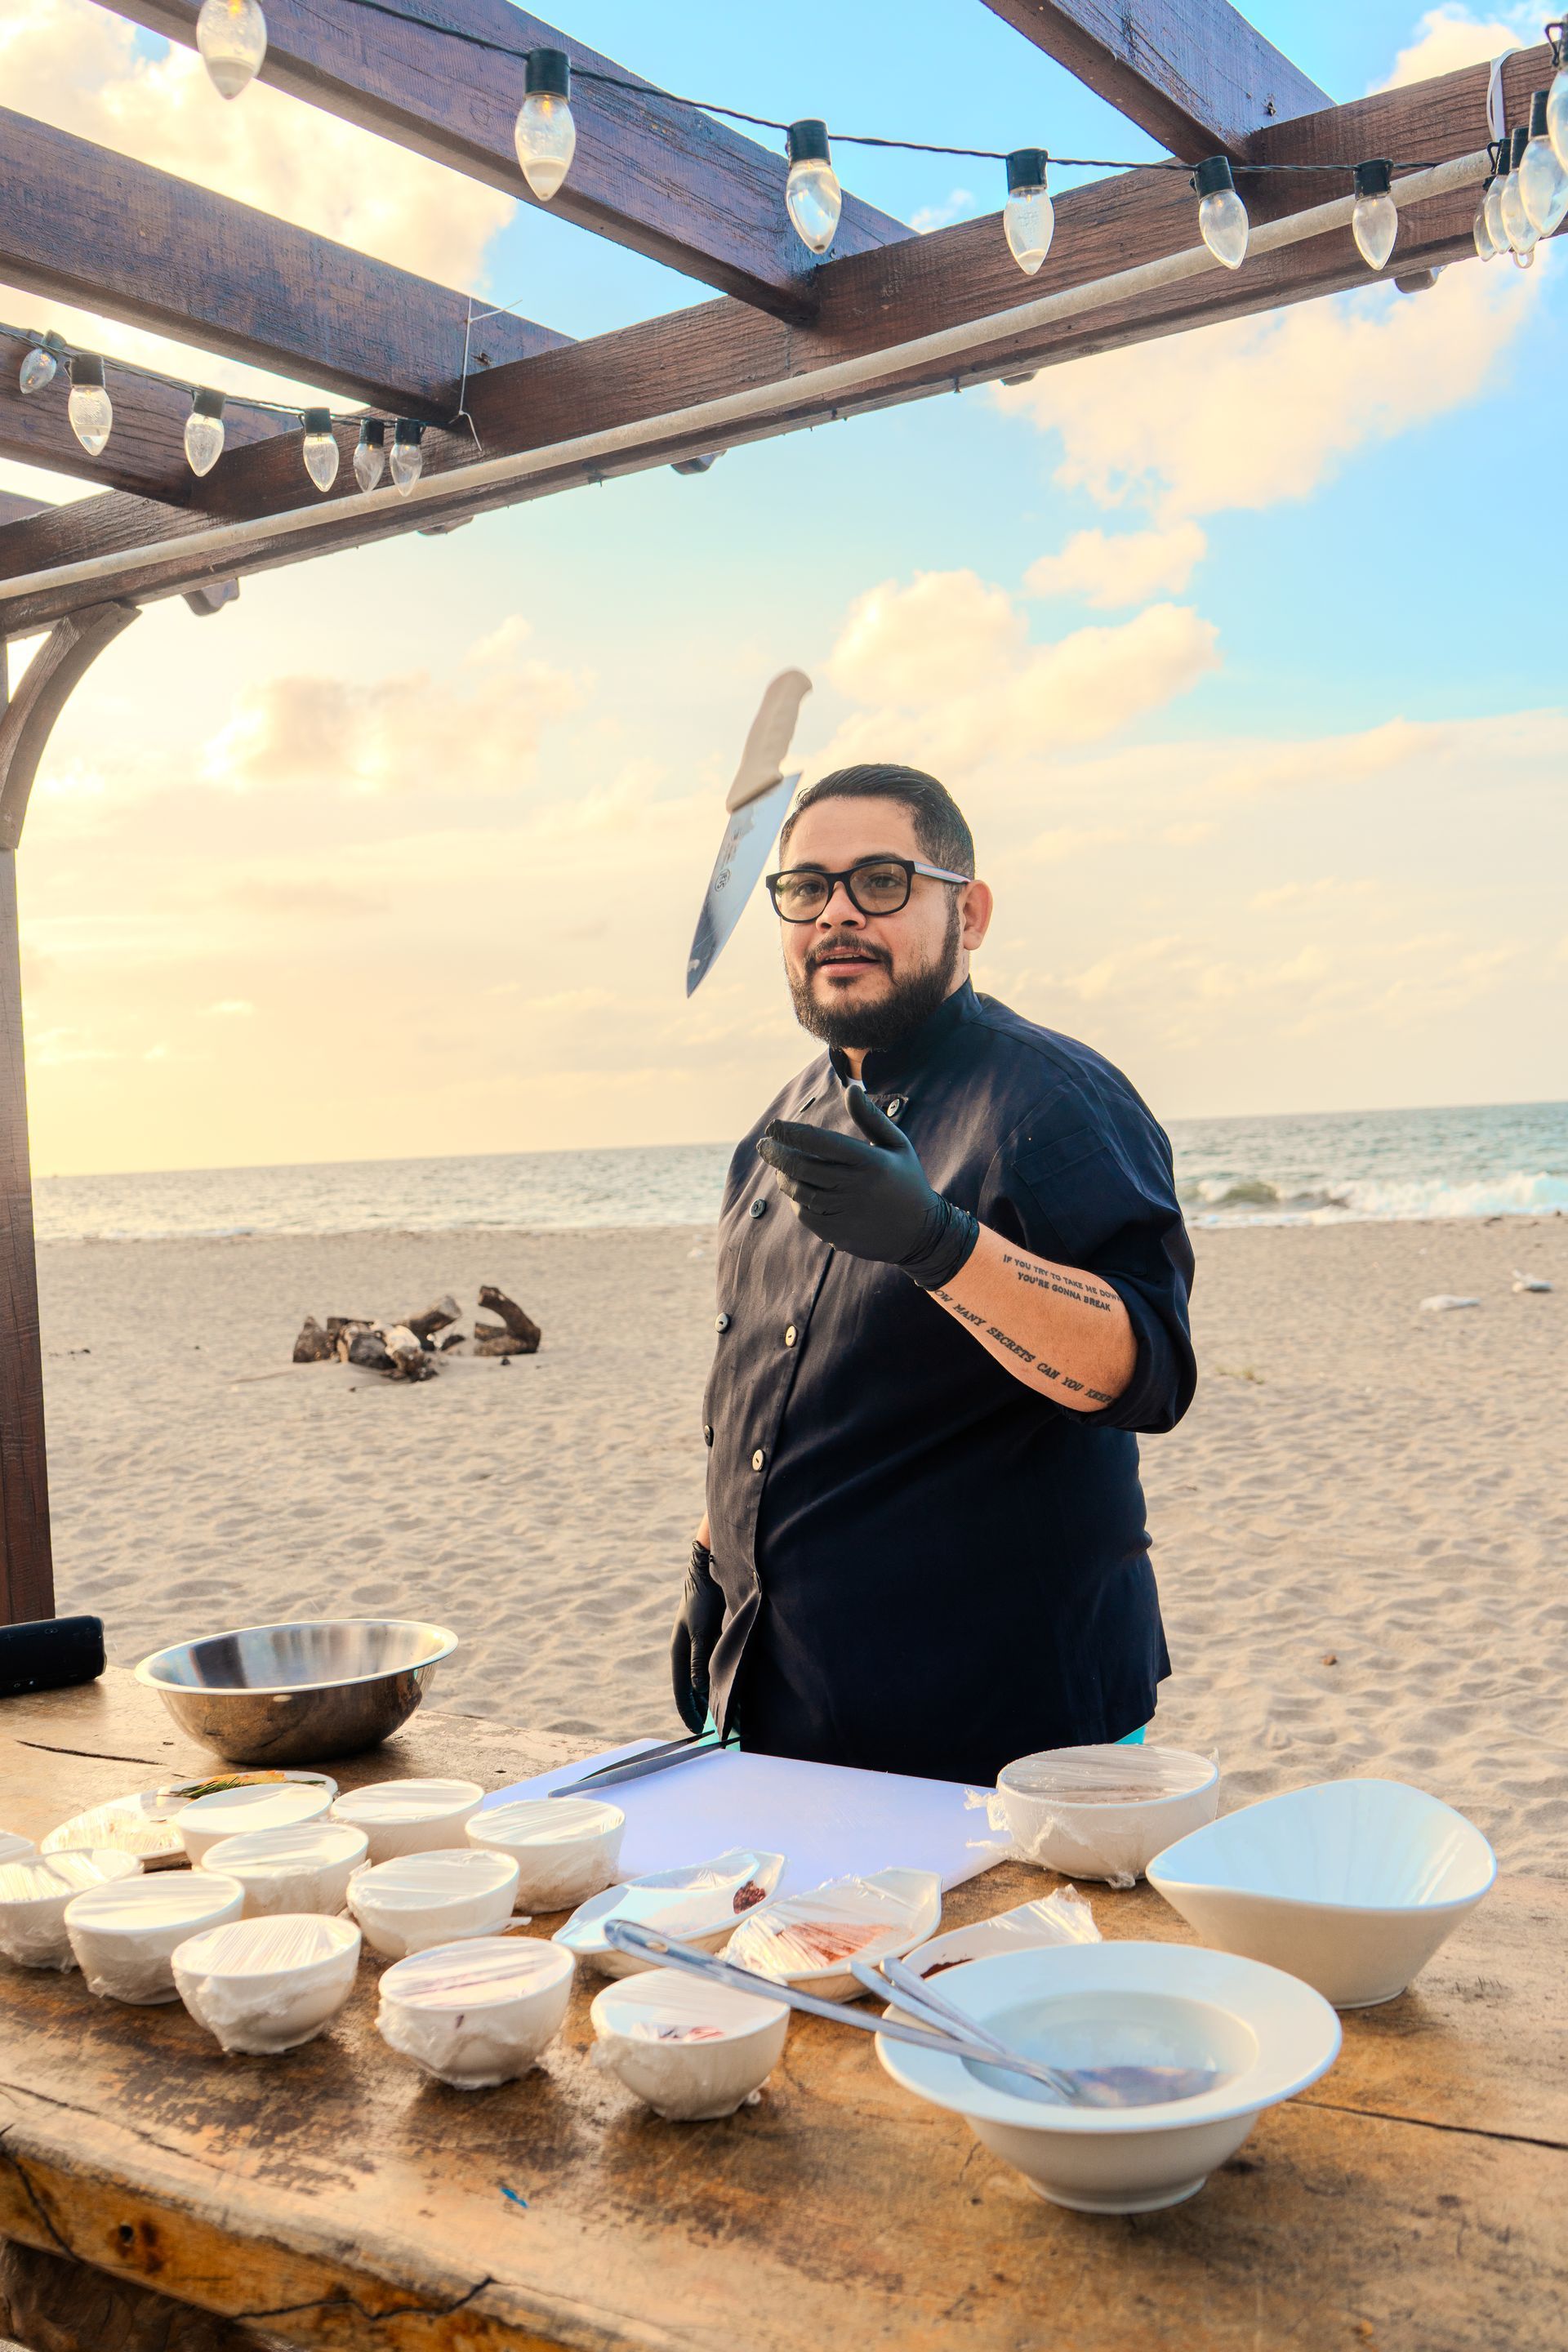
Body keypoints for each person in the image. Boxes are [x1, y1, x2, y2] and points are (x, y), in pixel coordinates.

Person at [670, 763, 1196, 1785]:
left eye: (881, 881)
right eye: (806, 888)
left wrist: (937, 1243)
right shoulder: (777, 1129)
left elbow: (1146, 1370)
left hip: (1005, 1730)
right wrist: (710, 1562)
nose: (837, 915)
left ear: (971, 910)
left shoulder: (1055, 1103)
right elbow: (774, 1388)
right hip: (785, 1701)